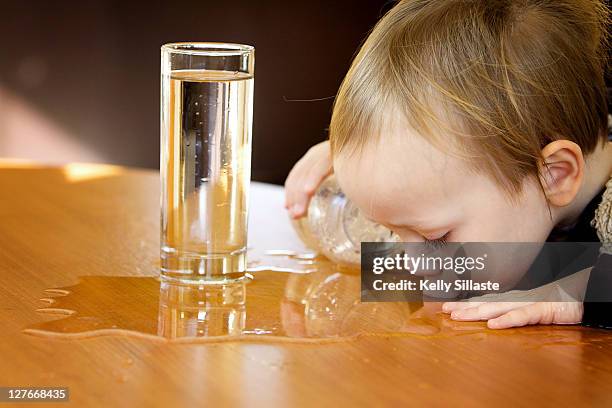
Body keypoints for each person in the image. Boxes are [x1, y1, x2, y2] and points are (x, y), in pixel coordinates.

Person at [284, 0, 612, 329]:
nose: (413, 266)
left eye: (438, 238)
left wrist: (576, 294)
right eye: (393, 232)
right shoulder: (507, 187)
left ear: (555, 176)